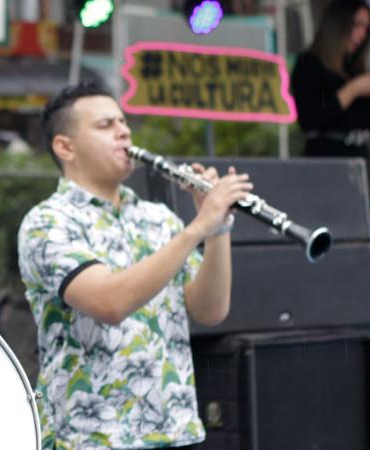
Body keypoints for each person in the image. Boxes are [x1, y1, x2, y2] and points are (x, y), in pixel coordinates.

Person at [17, 83, 253, 450]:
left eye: (124, 122)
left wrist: (218, 227)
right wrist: (197, 228)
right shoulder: (48, 222)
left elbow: (211, 310)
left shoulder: (158, 218)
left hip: (173, 428)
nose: (124, 131)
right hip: (88, 437)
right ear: (65, 146)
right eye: (105, 125)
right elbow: (109, 304)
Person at [290, 0, 370, 186]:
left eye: (366, 28)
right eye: (357, 25)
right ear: (339, 24)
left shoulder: (355, 68)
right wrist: (353, 90)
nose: (361, 34)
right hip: (325, 164)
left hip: (359, 162)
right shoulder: (309, 64)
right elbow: (310, 121)